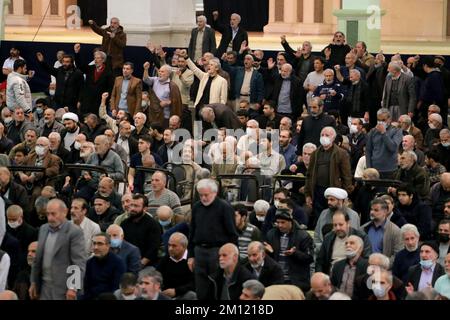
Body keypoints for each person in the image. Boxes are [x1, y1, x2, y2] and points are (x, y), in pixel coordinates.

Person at [188, 179, 238, 300]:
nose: (203, 198)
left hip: (218, 251)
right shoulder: (196, 207)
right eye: (201, 195)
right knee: (201, 288)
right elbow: (192, 232)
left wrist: (232, 256)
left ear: (214, 193)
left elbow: (232, 234)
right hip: (199, 251)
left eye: (206, 195)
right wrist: (190, 255)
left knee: (217, 287)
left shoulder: (225, 207)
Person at [29, 199, 86, 300]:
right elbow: (37, 259)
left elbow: (78, 263)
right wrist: (33, 281)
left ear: (64, 212)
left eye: (53, 214)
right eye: (48, 214)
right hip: (44, 286)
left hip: (63, 289)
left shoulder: (74, 232)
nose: (50, 218)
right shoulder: (43, 229)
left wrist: (73, 288)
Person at [305, 127, 353, 225]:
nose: (324, 137)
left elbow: (347, 176)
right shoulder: (315, 153)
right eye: (322, 135)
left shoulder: (341, 153)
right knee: (319, 218)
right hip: (317, 191)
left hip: (334, 192)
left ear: (333, 137)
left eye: (327, 135)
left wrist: (346, 193)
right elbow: (309, 175)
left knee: (333, 217)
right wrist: (308, 194)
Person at [264, 209, 314, 292]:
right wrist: (269, 252)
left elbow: (309, 258)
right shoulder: (271, 234)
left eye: (283, 222)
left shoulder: (303, 236)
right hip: (277, 279)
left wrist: (295, 253)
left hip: (295, 281)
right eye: (278, 222)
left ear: (290, 221)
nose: (279, 225)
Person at [314, 188, 361, 254]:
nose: (329, 202)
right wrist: (322, 249)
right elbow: (317, 236)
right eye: (328, 200)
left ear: (341, 201)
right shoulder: (324, 214)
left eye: (332, 200)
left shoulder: (353, 215)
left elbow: (356, 237)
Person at [121, 194, 161, 268]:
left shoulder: (153, 225)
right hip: (127, 262)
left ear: (145, 208)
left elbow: (153, 249)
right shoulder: (124, 223)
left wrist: (139, 265)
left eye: (136, 206)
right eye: (131, 205)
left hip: (146, 265)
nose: (132, 208)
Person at [74, 44, 114, 116]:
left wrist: (105, 100)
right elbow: (80, 66)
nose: (96, 60)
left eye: (98, 58)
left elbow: (110, 88)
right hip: (87, 101)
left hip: (99, 102)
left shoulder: (108, 72)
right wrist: (77, 53)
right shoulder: (90, 68)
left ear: (103, 60)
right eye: (95, 58)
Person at [83, 233, 126, 300]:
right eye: (94, 243)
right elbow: (87, 287)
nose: (95, 247)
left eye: (100, 244)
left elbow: (116, 289)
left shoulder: (118, 263)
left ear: (108, 245)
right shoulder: (90, 262)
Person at [361, 198, 403, 265]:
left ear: (385, 211)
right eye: (371, 209)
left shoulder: (395, 231)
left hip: (383, 269)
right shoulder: (363, 228)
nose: (372, 212)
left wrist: (384, 264)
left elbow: (398, 254)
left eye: (376, 210)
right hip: (365, 268)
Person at [156, 232, 196, 300]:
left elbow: (195, 283)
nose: (170, 249)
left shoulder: (192, 260)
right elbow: (156, 275)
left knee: (191, 295)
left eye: (174, 246)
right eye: (169, 245)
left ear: (184, 247)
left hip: (183, 294)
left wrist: (176, 291)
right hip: (166, 294)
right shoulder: (165, 259)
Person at [366, 108, 403, 179]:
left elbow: (393, 148)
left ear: (389, 119)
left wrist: (383, 133)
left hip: (390, 170)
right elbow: (368, 150)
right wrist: (369, 168)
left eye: (383, 120)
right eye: (378, 120)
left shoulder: (397, 131)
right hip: (375, 169)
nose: (380, 122)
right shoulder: (373, 131)